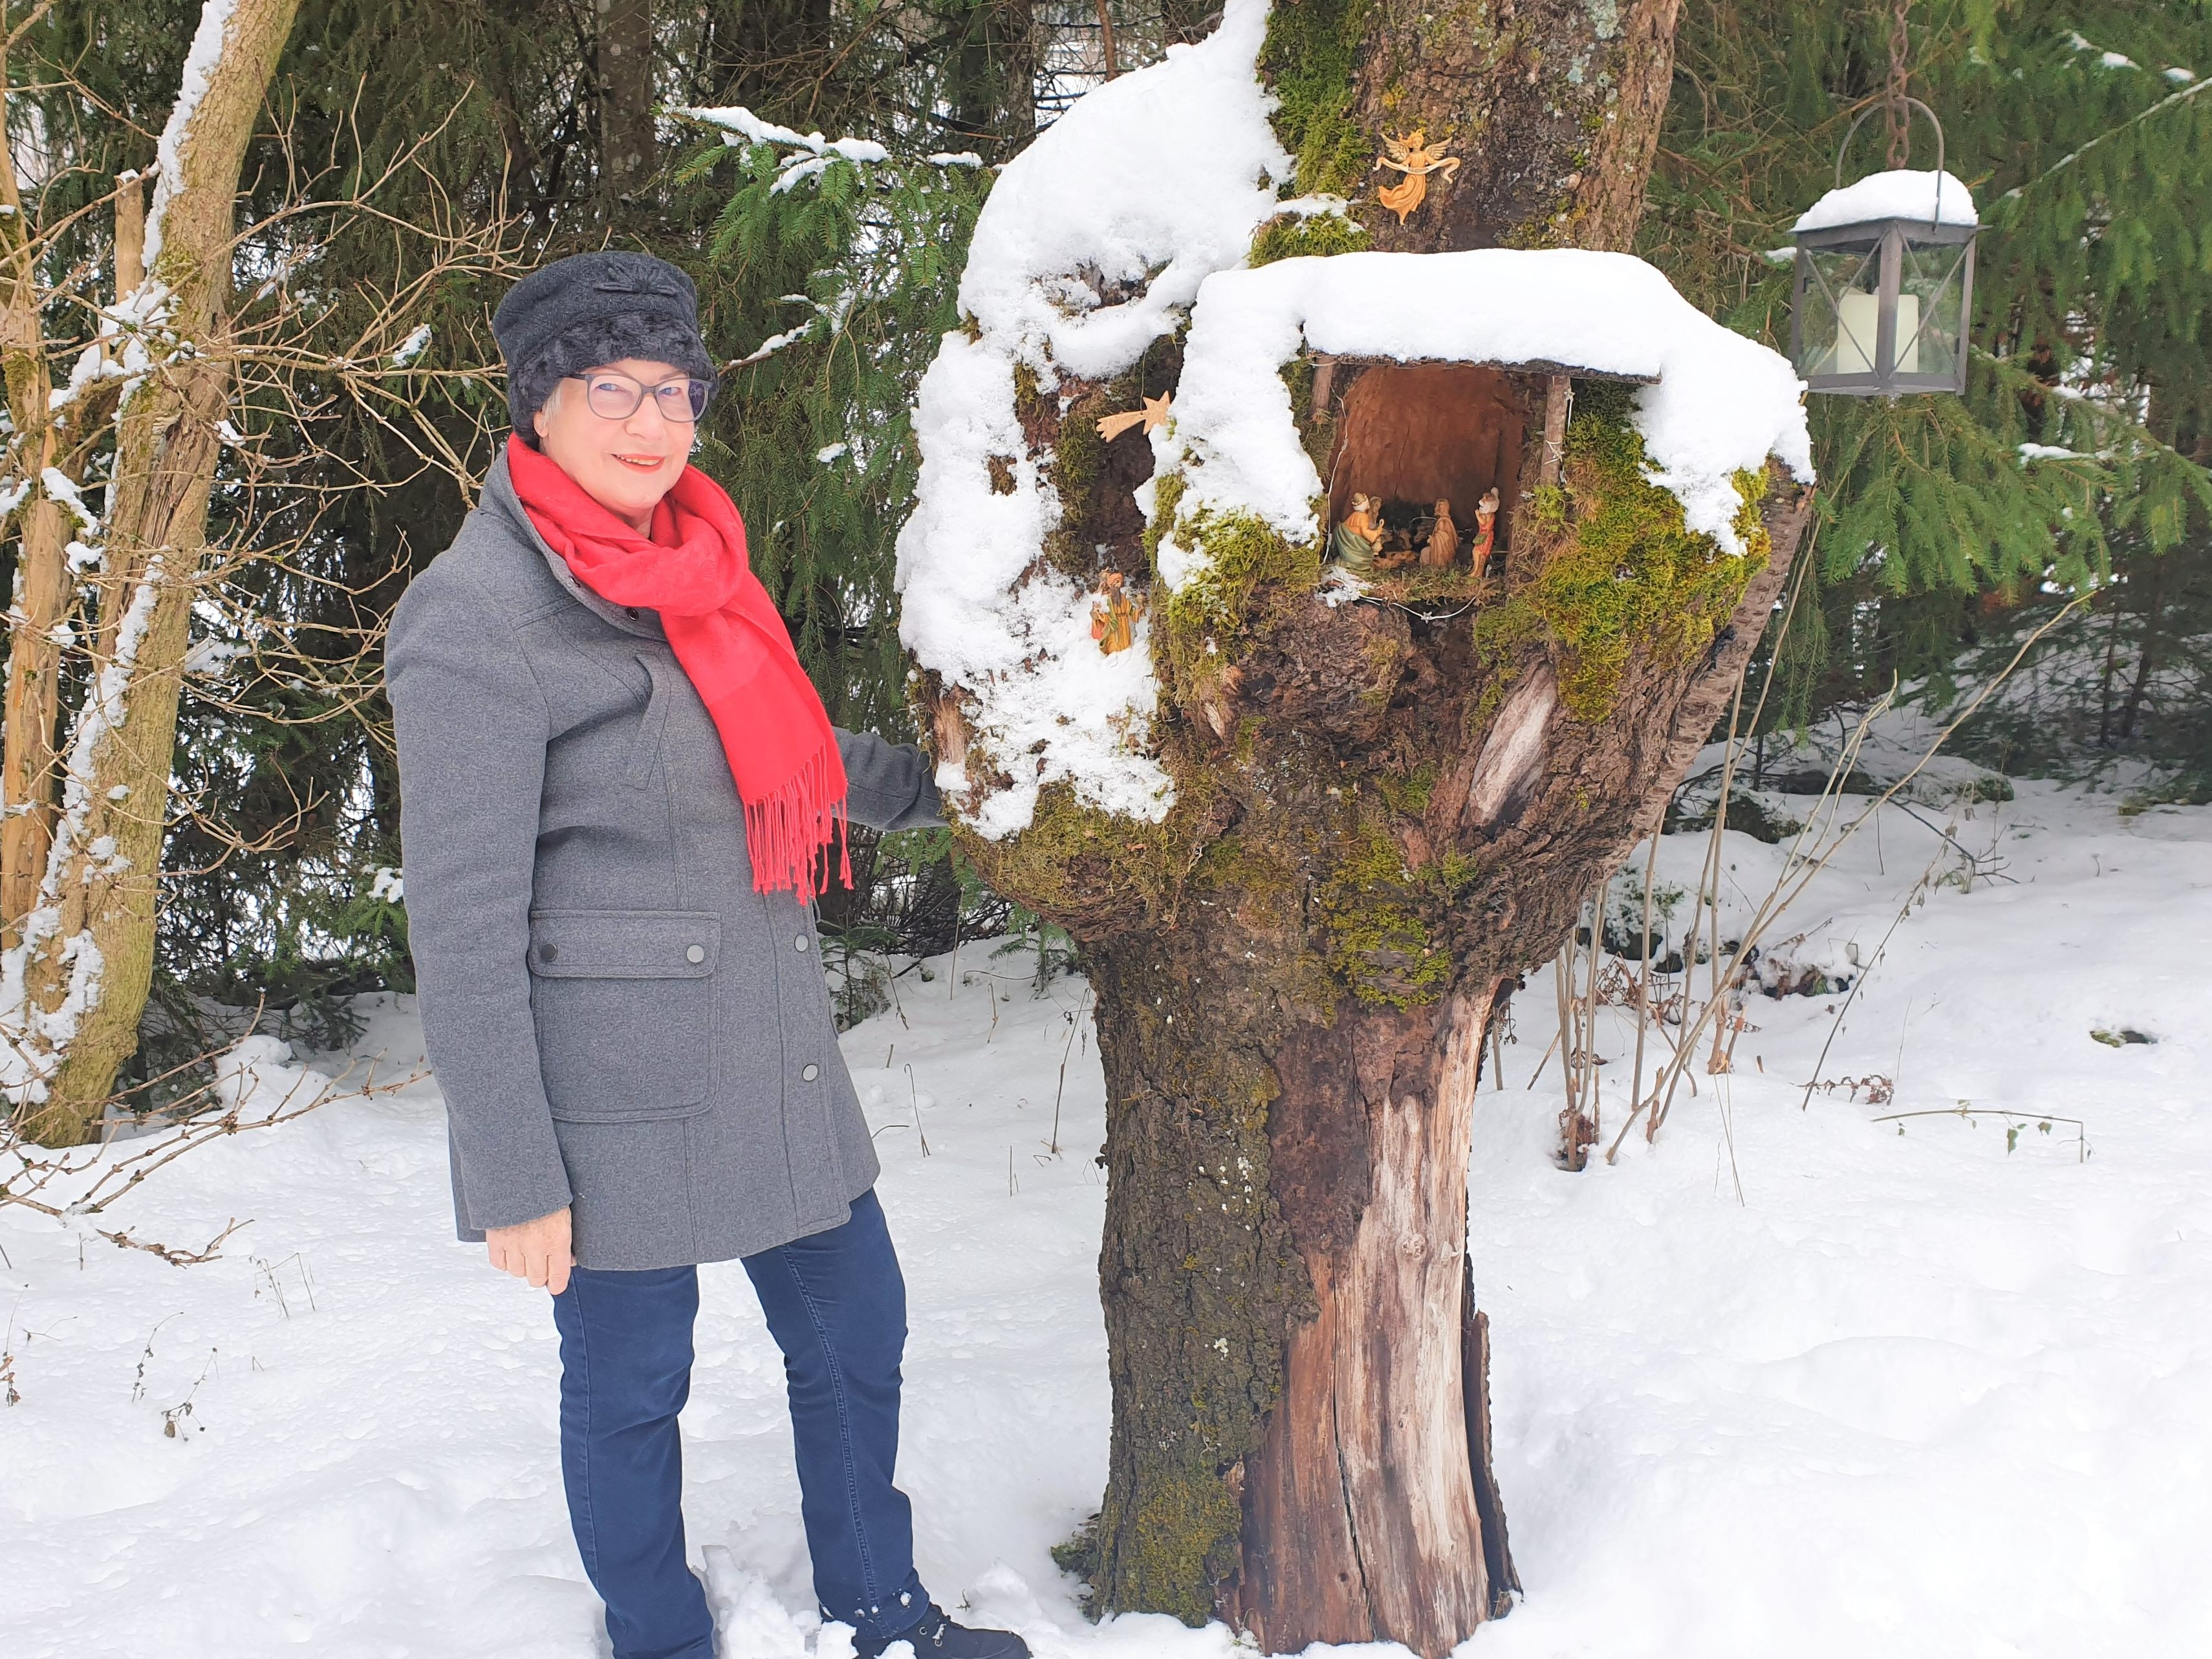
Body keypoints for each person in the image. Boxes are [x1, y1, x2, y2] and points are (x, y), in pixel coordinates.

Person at [384, 250, 1029, 1659]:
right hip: (609, 1098)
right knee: (630, 1385)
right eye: (611, 386)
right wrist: (514, 1173)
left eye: (673, 388)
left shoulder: (701, 565)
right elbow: (462, 922)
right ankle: (660, 1635)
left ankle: (881, 1610)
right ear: (539, 402)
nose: (650, 422)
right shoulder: (477, 615)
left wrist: (963, 788)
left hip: (770, 1052)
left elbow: (790, 757)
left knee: (856, 1328)